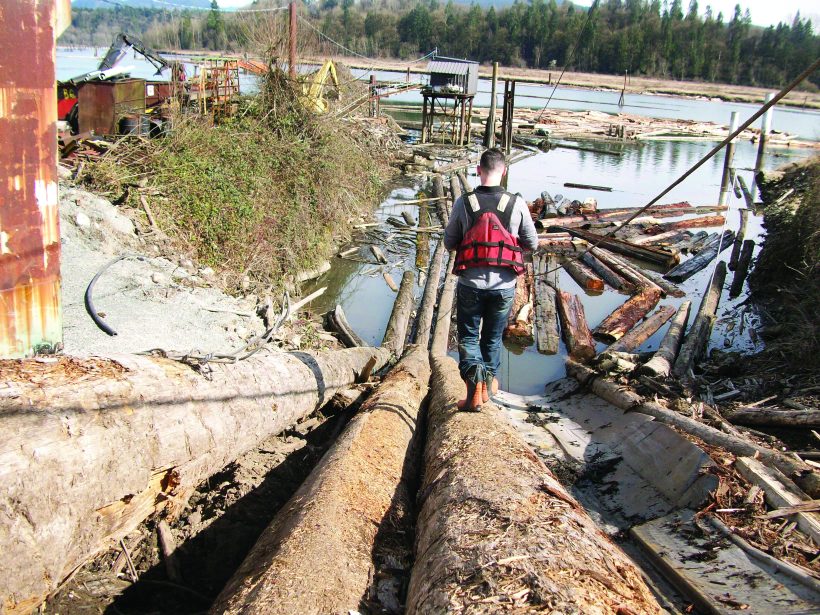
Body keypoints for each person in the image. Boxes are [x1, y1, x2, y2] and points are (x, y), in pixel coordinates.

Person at [443, 148, 539, 411]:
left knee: (469, 338)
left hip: (470, 285)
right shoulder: (516, 203)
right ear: (504, 172)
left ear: (478, 171)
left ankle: (474, 388)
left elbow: (449, 242)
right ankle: (486, 386)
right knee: (493, 339)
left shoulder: (465, 202)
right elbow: (532, 243)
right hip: (504, 287)